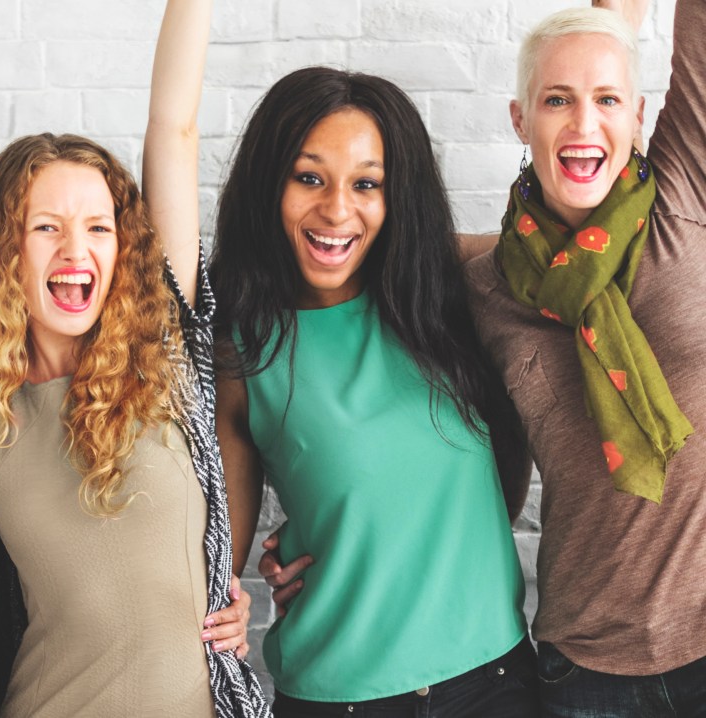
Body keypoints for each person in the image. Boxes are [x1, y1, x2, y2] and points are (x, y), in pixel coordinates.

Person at [0, 0, 270, 715]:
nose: (75, 250)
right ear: (3, 252)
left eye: (98, 227)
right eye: (46, 228)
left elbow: (175, 128)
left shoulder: (165, 357)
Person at [207, 58, 537, 716]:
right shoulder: (243, 352)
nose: (336, 209)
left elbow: (573, 243)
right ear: (268, 185)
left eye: (367, 183)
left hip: (494, 682)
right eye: (308, 178)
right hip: (339, 697)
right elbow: (215, 565)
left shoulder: (453, 292)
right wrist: (231, 605)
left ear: (396, 198)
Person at [464, 0, 706, 713]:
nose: (583, 124)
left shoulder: (682, 200)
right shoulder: (485, 290)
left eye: (606, 100)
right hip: (586, 670)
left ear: (637, 115)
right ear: (518, 118)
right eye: (557, 100)